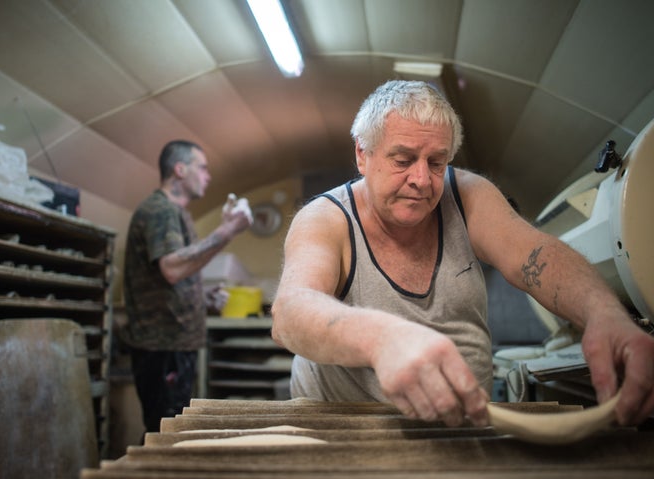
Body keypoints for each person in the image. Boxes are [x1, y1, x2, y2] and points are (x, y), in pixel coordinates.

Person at [271, 80, 654, 428]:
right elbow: (291, 312)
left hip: (460, 431)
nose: (421, 180)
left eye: (436, 162)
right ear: (362, 155)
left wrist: (604, 313)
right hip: (342, 432)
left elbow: (535, 253)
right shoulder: (326, 218)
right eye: (402, 160)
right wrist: (381, 338)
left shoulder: (467, 195)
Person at [121, 140, 252, 433]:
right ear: (180, 170)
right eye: (202, 168)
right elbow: (172, 268)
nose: (208, 176)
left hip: (175, 345)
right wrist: (228, 229)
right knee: (164, 432)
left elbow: (172, 275)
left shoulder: (177, 213)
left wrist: (202, 297)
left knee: (171, 427)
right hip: (162, 347)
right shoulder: (161, 210)